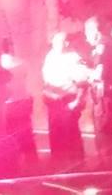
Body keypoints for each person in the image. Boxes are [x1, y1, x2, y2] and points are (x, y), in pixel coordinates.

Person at [0, 41, 39, 171]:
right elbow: (28, 81)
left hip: (6, 104)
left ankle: (12, 162)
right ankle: (32, 162)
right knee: (26, 132)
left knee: (9, 134)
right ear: (12, 48)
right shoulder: (22, 63)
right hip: (22, 100)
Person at [42, 32, 86, 167]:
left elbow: (82, 82)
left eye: (59, 42)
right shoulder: (50, 56)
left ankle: (77, 164)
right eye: (54, 42)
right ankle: (57, 163)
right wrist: (47, 92)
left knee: (71, 133)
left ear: (66, 43)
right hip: (53, 100)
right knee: (55, 133)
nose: (55, 45)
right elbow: (46, 80)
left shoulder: (74, 58)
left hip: (68, 100)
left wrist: (77, 101)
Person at [85, 17, 112, 166]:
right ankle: (111, 164)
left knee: (102, 131)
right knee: (108, 130)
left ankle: (105, 168)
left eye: (87, 33)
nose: (86, 38)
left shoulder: (103, 46)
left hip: (104, 95)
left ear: (94, 31)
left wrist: (86, 74)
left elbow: (99, 71)